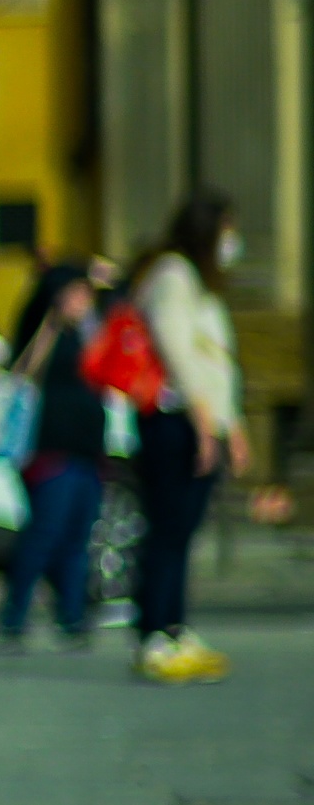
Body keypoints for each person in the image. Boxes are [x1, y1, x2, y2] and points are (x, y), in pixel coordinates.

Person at [122, 189, 252, 686]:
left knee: (183, 532)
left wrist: (231, 424)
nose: (232, 241)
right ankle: (153, 632)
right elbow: (177, 352)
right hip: (174, 419)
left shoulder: (202, 284)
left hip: (203, 420)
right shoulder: (171, 277)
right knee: (167, 529)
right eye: (226, 230)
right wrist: (203, 422)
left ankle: (175, 627)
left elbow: (219, 359)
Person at [0, 250, 118, 649]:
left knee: (79, 536)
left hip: (87, 448)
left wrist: (103, 285)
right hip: (50, 450)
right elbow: (22, 372)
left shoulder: (92, 332)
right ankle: (14, 613)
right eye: (77, 293)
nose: (84, 301)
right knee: (44, 532)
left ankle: (73, 613)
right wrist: (52, 322)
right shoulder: (46, 330)